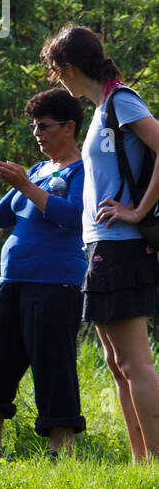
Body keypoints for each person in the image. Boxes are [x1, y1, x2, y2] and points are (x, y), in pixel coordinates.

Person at [42, 24, 159, 461]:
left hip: (123, 243)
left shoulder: (123, 101)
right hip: (100, 244)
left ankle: (156, 463)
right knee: (116, 363)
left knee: (134, 362)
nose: (57, 80)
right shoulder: (102, 107)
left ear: (70, 67)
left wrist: (138, 210)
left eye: (56, 70)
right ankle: (141, 461)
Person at [0, 89, 87, 459]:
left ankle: (60, 454)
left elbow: (73, 217)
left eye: (44, 126)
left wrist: (25, 185)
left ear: (69, 127)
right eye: (34, 126)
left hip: (57, 282)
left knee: (54, 365)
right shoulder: (38, 170)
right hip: (12, 281)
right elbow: (0, 218)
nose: (36, 133)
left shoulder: (83, 170)